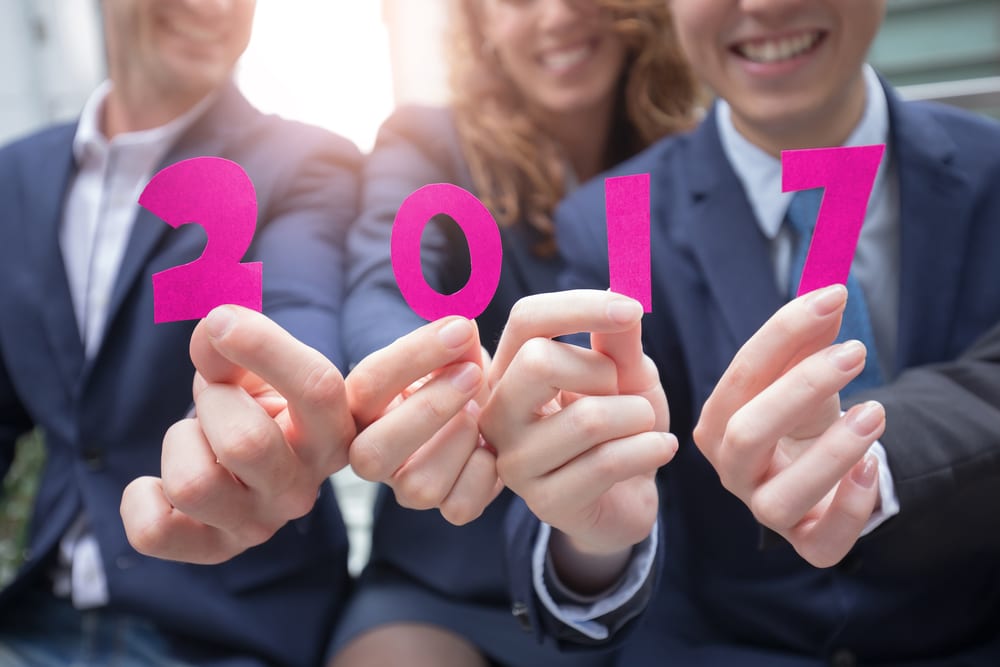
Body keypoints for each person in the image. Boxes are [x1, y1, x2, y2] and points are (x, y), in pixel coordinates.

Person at [485, 0, 1000, 663]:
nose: (761, 4)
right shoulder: (622, 221)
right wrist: (592, 535)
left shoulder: (991, 171)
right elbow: (576, 457)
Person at [328, 1, 699, 665]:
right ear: (481, 26)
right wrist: (424, 388)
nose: (555, 17)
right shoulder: (429, 144)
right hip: (455, 575)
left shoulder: (691, 167)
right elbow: (384, 279)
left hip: (657, 578)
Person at [0, 0, 360, 665]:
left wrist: (265, 424)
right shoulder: (15, 178)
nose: (217, 6)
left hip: (225, 629)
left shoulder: (306, 163)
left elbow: (296, 309)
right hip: (36, 618)